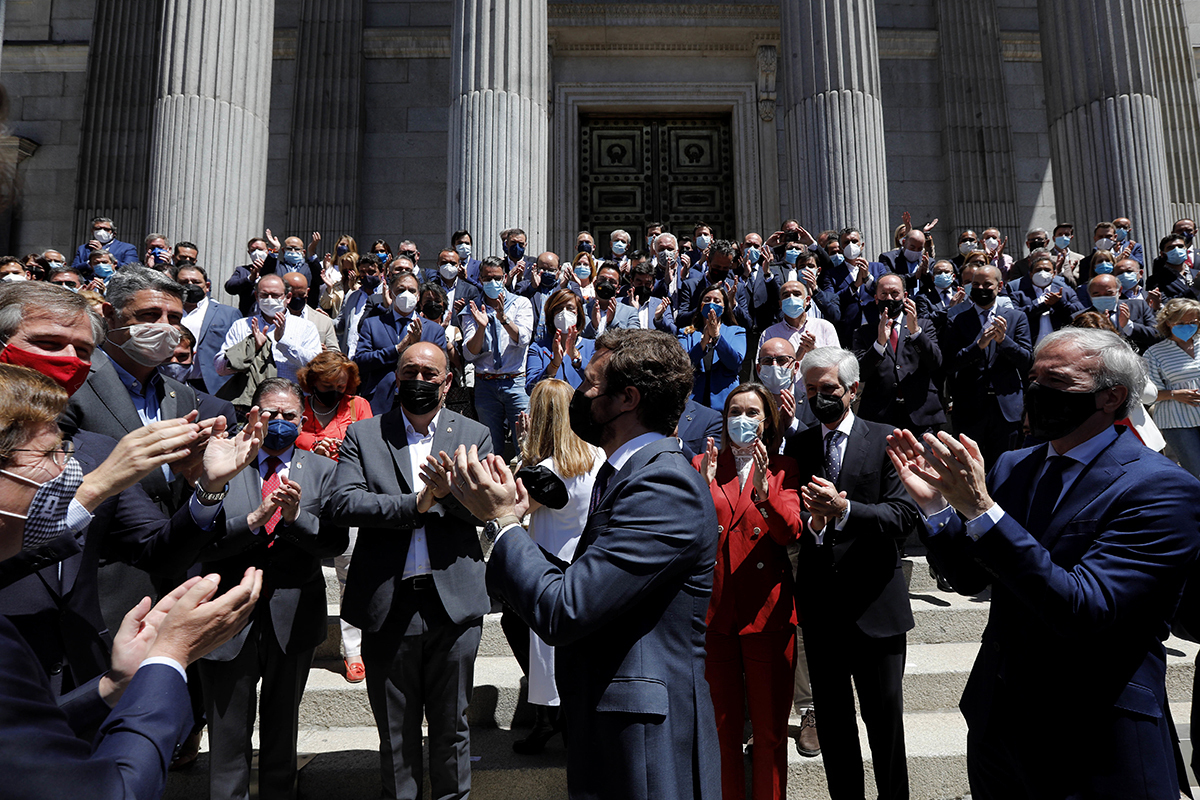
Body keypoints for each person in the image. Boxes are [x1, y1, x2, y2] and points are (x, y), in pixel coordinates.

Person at [887, 327, 1200, 800]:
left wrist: (982, 511)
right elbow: (973, 577)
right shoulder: (1015, 465)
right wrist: (939, 510)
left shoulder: (1161, 488)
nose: (1036, 393)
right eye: (1032, 378)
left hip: (1097, 735)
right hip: (1001, 723)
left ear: (1111, 396)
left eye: (1056, 382)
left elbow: (1083, 607)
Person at [449, 327, 721, 800]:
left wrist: (500, 523)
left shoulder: (662, 486)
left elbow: (566, 608)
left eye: (591, 383)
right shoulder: (627, 473)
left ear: (627, 398)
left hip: (642, 741)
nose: (579, 394)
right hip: (609, 721)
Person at [0, 366, 264, 800]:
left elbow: (155, 546)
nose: (67, 470)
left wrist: (112, 687)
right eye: (49, 455)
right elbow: (116, 790)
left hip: (83, 675)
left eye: (84, 352)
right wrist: (168, 657)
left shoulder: (96, 449)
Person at [329, 341, 492, 800]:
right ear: (396, 378)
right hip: (388, 601)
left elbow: (484, 510)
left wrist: (447, 497)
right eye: (409, 372)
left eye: (428, 374)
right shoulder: (365, 435)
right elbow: (344, 502)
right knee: (395, 732)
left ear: (447, 382)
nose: (417, 381)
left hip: (453, 604)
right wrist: (416, 503)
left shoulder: (474, 434)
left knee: (451, 727)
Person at [194, 378, 347, 800]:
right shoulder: (223, 461)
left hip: (292, 616)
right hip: (228, 615)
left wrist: (297, 518)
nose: (280, 422)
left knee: (282, 729)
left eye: (290, 416)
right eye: (271, 414)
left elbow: (335, 542)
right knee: (227, 733)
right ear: (253, 415)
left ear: (303, 420)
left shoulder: (323, 470)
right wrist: (253, 521)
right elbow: (197, 538)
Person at [784, 346, 917, 800]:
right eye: (810, 390)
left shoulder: (886, 438)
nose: (818, 398)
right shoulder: (798, 446)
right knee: (836, 727)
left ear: (853, 390)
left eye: (828, 389)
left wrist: (844, 510)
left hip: (875, 606)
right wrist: (813, 524)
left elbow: (902, 516)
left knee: (884, 725)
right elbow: (790, 519)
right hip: (821, 609)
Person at [694, 383, 801, 800]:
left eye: (752, 412)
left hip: (766, 614)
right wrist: (702, 490)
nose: (742, 418)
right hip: (715, 614)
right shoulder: (703, 463)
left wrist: (763, 491)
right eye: (734, 410)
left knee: (770, 733)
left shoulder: (783, 467)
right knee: (721, 733)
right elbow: (688, 538)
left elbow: (789, 530)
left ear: (767, 421)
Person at [504, 379, 603, 754]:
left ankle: (551, 719)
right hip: (589, 567)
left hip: (549, 572)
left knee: (539, 644)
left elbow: (510, 510)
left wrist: (525, 451)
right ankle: (554, 721)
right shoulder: (598, 456)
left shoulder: (543, 470)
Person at [294, 351, 372, 682]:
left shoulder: (358, 406)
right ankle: (299, 642)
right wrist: (314, 442)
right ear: (313, 382)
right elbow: (286, 435)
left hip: (346, 495)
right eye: (327, 384)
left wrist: (340, 446)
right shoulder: (300, 406)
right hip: (305, 497)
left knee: (351, 574)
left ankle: (353, 650)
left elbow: (371, 443)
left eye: (341, 384)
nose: (335, 390)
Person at [944, 265, 1033, 466]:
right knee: (968, 468)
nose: (981, 289)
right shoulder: (957, 319)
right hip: (970, 408)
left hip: (1007, 409)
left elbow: (1027, 361)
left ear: (1000, 286)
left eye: (987, 284)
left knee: (1004, 467)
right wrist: (978, 346)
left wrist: (1004, 342)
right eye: (975, 284)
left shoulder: (1016, 317)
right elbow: (949, 364)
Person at [851, 273, 943, 434]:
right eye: (884, 294)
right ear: (876, 298)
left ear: (905, 296)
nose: (890, 298)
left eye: (895, 293)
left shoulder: (923, 326)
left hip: (921, 414)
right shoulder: (864, 332)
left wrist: (916, 333)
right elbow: (860, 373)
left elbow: (935, 362)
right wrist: (879, 344)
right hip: (879, 417)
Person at [461, 257, 534, 453]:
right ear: (480, 279)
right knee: (491, 448)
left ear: (505, 278)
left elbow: (523, 338)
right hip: (486, 385)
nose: (492, 283)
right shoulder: (472, 309)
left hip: (515, 382)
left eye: (497, 278)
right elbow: (469, 353)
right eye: (487, 278)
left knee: (525, 444)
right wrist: (481, 328)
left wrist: (503, 319)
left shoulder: (521, 303)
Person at [353, 269, 448, 396]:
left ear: (418, 296)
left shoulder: (435, 330)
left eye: (412, 290)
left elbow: (440, 368)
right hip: (381, 399)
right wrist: (396, 350)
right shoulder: (373, 324)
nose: (406, 294)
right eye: (401, 290)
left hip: (419, 398)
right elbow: (360, 362)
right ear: (391, 294)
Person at [217, 273, 323, 386]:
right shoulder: (242, 325)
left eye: (275, 295)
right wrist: (251, 348)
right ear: (257, 297)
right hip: (250, 399)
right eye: (264, 295)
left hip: (290, 397)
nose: (269, 300)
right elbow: (220, 368)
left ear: (288, 297)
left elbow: (315, 365)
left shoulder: (306, 327)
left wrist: (283, 343)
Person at [1143, 298, 1200, 477]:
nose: (1187, 326)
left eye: (1192, 322)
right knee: (1196, 472)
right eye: (1181, 323)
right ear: (1168, 323)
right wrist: (1175, 394)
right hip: (1178, 423)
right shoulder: (1154, 353)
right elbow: (1148, 395)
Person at [175, 264, 243, 395]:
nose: (190, 285)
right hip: (174, 382)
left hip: (213, 386)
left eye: (196, 282)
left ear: (207, 286)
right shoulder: (166, 313)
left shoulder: (229, 314)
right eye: (184, 282)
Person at [678, 283, 747, 410]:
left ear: (724, 307)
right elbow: (683, 365)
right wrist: (702, 343)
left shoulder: (737, 331)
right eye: (707, 300)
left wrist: (716, 337)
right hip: (693, 401)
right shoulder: (686, 333)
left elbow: (734, 362)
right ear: (700, 306)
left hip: (724, 402)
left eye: (717, 301)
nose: (712, 303)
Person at [525, 289, 594, 391]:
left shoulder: (592, 346)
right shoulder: (537, 348)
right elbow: (530, 388)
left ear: (578, 314)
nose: (564, 312)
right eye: (559, 309)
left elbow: (597, 381)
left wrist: (576, 358)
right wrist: (554, 364)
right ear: (551, 314)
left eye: (570, 308)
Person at [282, 272, 339, 351]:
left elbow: (336, 354)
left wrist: (325, 354)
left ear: (307, 292)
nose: (297, 299)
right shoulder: (271, 318)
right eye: (293, 295)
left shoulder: (323, 321)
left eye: (301, 295)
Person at [70, 216, 139, 272]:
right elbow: (73, 269)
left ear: (113, 233)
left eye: (106, 229)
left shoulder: (127, 248)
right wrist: (89, 263)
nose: (101, 231)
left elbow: (131, 269)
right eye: (98, 228)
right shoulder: (83, 248)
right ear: (92, 231)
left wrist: (103, 253)